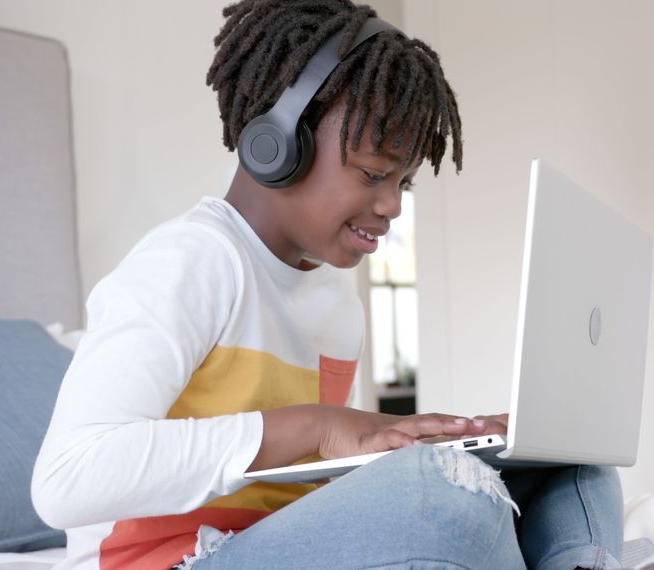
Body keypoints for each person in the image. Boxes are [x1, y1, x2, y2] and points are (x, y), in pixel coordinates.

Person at [31, 1, 624, 569]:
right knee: (440, 497)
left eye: (405, 184)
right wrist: (317, 425)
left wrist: (421, 441)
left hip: (273, 545)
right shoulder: (189, 262)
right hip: (169, 560)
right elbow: (66, 479)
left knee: (569, 466)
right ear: (277, 144)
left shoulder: (337, 306)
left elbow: (285, 489)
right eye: (373, 174)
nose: (391, 206)